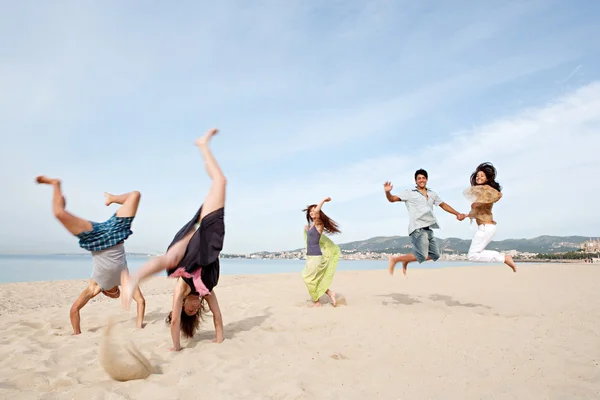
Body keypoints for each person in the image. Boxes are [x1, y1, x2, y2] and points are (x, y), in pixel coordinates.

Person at [120, 128, 225, 351]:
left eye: (189, 309)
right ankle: (203, 145)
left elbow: (175, 321)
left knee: (171, 258)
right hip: (207, 246)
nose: (194, 308)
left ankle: (134, 280)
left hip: (188, 251)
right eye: (194, 311)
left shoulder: (181, 290)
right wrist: (219, 339)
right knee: (220, 181)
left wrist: (175, 347)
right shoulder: (207, 291)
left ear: (184, 304)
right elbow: (217, 317)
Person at [35, 176, 145, 335]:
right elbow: (140, 302)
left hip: (96, 239)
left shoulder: (96, 286)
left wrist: (76, 333)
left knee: (59, 213)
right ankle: (112, 198)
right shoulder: (126, 281)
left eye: (114, 293)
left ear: (106, 292)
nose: (116, 292)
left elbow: (74, 309)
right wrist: (139, 324)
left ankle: (55, 184)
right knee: (135, 195)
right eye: (117, 293)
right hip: (115, 233)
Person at [384, 169, 465, 276]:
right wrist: (387, 192)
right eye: (419, 178)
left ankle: (405, 260)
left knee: (435, 255)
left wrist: (457, 213)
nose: (421, 180)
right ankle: (395, 259)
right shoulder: (410, 193)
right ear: (415, 181)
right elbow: (392, 199)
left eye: (423, 178)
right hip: (417, 228)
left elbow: (443, 205)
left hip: (428, 228)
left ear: (426, 179)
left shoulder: (432, 194)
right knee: (421, 255)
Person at [460, 162, 517, 272]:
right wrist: (466, 215)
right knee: (474, 254)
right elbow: (478, 212)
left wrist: (480, 203)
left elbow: (498, 195)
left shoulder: (487, 189)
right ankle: (503, 257)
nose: (478, 177)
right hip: (485, 227)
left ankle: (504, 258)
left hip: (486, 227)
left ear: (487, 178)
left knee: (472, 255)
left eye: (482, 175)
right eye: (477, 176)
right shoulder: (481, 191)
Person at [302, 197, 341, 307]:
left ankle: (317, 302)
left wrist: (323, 200)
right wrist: (308, 230)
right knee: (314, 279)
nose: (312, 213)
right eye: (310, 212)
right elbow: (310, 239)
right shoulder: (313, 225)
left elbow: (317, 212)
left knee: (309, 279)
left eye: (314, 211)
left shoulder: (319, 223)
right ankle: (329, 293)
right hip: (310, 256)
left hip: (315, 256)